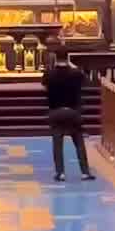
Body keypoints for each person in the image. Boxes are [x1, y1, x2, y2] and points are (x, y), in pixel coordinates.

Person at [43, 42, 95, 182]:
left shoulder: (50, 73)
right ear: (68, 57)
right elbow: (88, 81)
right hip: (73, 112)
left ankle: (60, 173)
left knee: (57, 143)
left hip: (56, 111)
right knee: (79, 142)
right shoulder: (76, 73)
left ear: (55, 57)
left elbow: (44, 85)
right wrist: (73, 66)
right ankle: (85, 172)